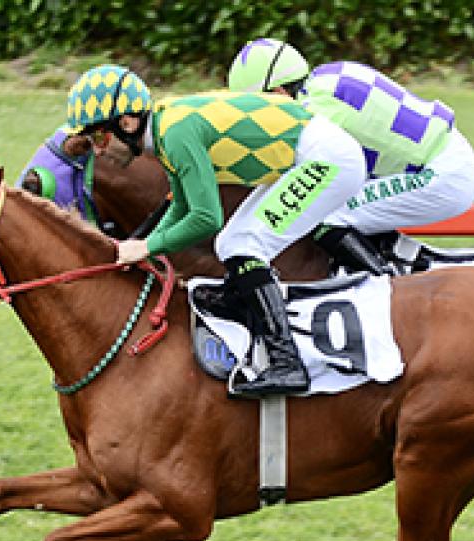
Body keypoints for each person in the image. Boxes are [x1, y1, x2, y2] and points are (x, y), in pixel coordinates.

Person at [65, 64, 369, 398]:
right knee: (232, 243)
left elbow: (206, 218)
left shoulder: (175, 134)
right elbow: (182, 206)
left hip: (328, 160)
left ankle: (288, 363)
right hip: (310, 154)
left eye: (98, 138)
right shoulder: (166, 129)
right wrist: (144, 245)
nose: (98, 151)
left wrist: (148, 246)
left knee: (245, 244)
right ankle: (243, 296)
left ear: (127, 123)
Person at [227, 39, 474, 274]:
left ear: (280, 94)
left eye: (260, 107)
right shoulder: (329, 74)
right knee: (348, 203)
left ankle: (387, 285)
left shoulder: (312, 113)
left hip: (442, 176)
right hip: (449, 151)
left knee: (327, 215)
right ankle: (402, 259)